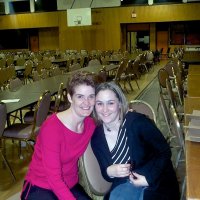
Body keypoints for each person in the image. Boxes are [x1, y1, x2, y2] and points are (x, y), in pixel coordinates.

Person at [91, 81, 180, 200]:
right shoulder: (97, 137)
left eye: (110, 103)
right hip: (124, 185)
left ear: (120, 104)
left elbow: (164, 152)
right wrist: (109, 172)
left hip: (156, 180)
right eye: (99, 104)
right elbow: (105, 173)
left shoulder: (138, 123)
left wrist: (148, 178)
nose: (105, 109)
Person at [21, 71, 96, 200]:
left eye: (91, 96)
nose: (87, 102)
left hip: (70, 184)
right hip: (41, 185)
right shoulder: (52, 129)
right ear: (70, 98)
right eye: (80, 96)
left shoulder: (90, 124)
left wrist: (124, 114)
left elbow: (110, 124)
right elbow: (54, 178)